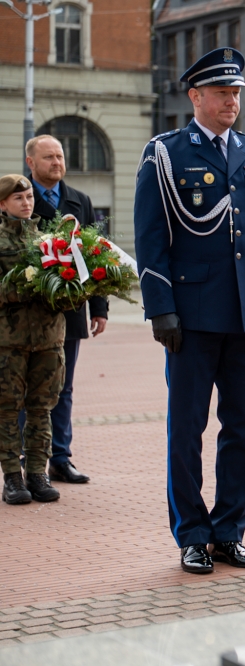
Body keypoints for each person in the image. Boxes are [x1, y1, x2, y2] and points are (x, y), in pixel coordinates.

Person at [133, 47, 245, 574]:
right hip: (192, 315)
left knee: (242, 428)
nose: (232, 101)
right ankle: (192, 533)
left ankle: (229, 531)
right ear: (195, 96)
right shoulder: (165, 153)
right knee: (186, 431)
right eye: (222, 92)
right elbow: (151, 238)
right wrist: (161, 308)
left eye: (236, 93)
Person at [26, 135, 108, 484]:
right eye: (48, 157)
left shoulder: (80, 201)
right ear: (31, 163)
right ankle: (22, 463)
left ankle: (60, 458)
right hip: (27, 314)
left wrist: (99, 308)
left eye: (59, 156)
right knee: (25, 388)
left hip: (70, 312)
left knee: (63, 387)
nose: (57, 162)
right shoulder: (15, 197)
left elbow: (96, 256)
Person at [0, 175, 64, 505]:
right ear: (2, 204)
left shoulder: (49, 240)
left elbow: (66, 287)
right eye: (17, 198)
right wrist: (24, 287)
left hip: (49, 340)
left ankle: (37, 473)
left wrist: (72, 292)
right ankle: (12, 476)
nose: (26, 203)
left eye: (28, 197)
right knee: (7, 409)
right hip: (7, 342)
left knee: (42, 408)